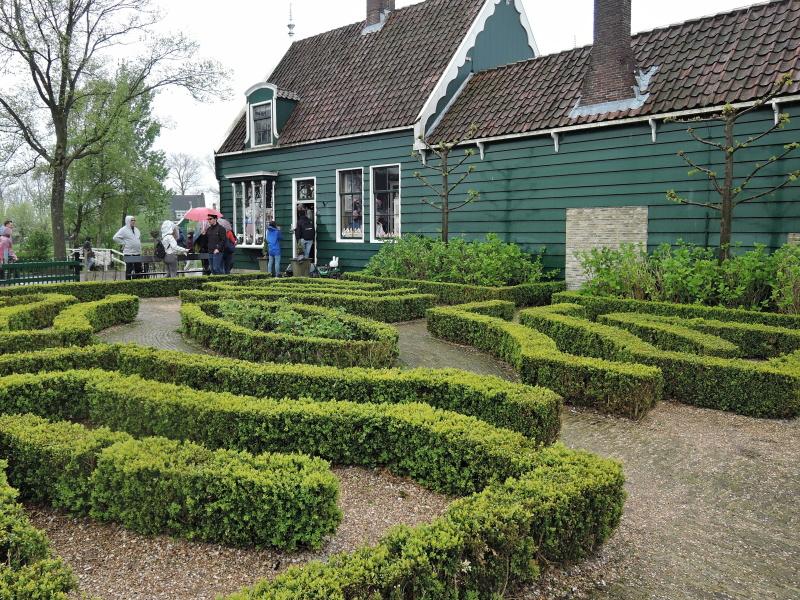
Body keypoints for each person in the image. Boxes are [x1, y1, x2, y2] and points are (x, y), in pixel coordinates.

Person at [113, 215, 143, 280]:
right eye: (132, 220)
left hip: (137, 252)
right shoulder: (123, 230)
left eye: (134, 220)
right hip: (128, 252)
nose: (134, 221)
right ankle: (128, 282)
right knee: (129, 269)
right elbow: (115, 237)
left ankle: (138, 282)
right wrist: (123, 243)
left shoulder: (137, 230)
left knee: (138, 268)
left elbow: (138, 239)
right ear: (128, 221)